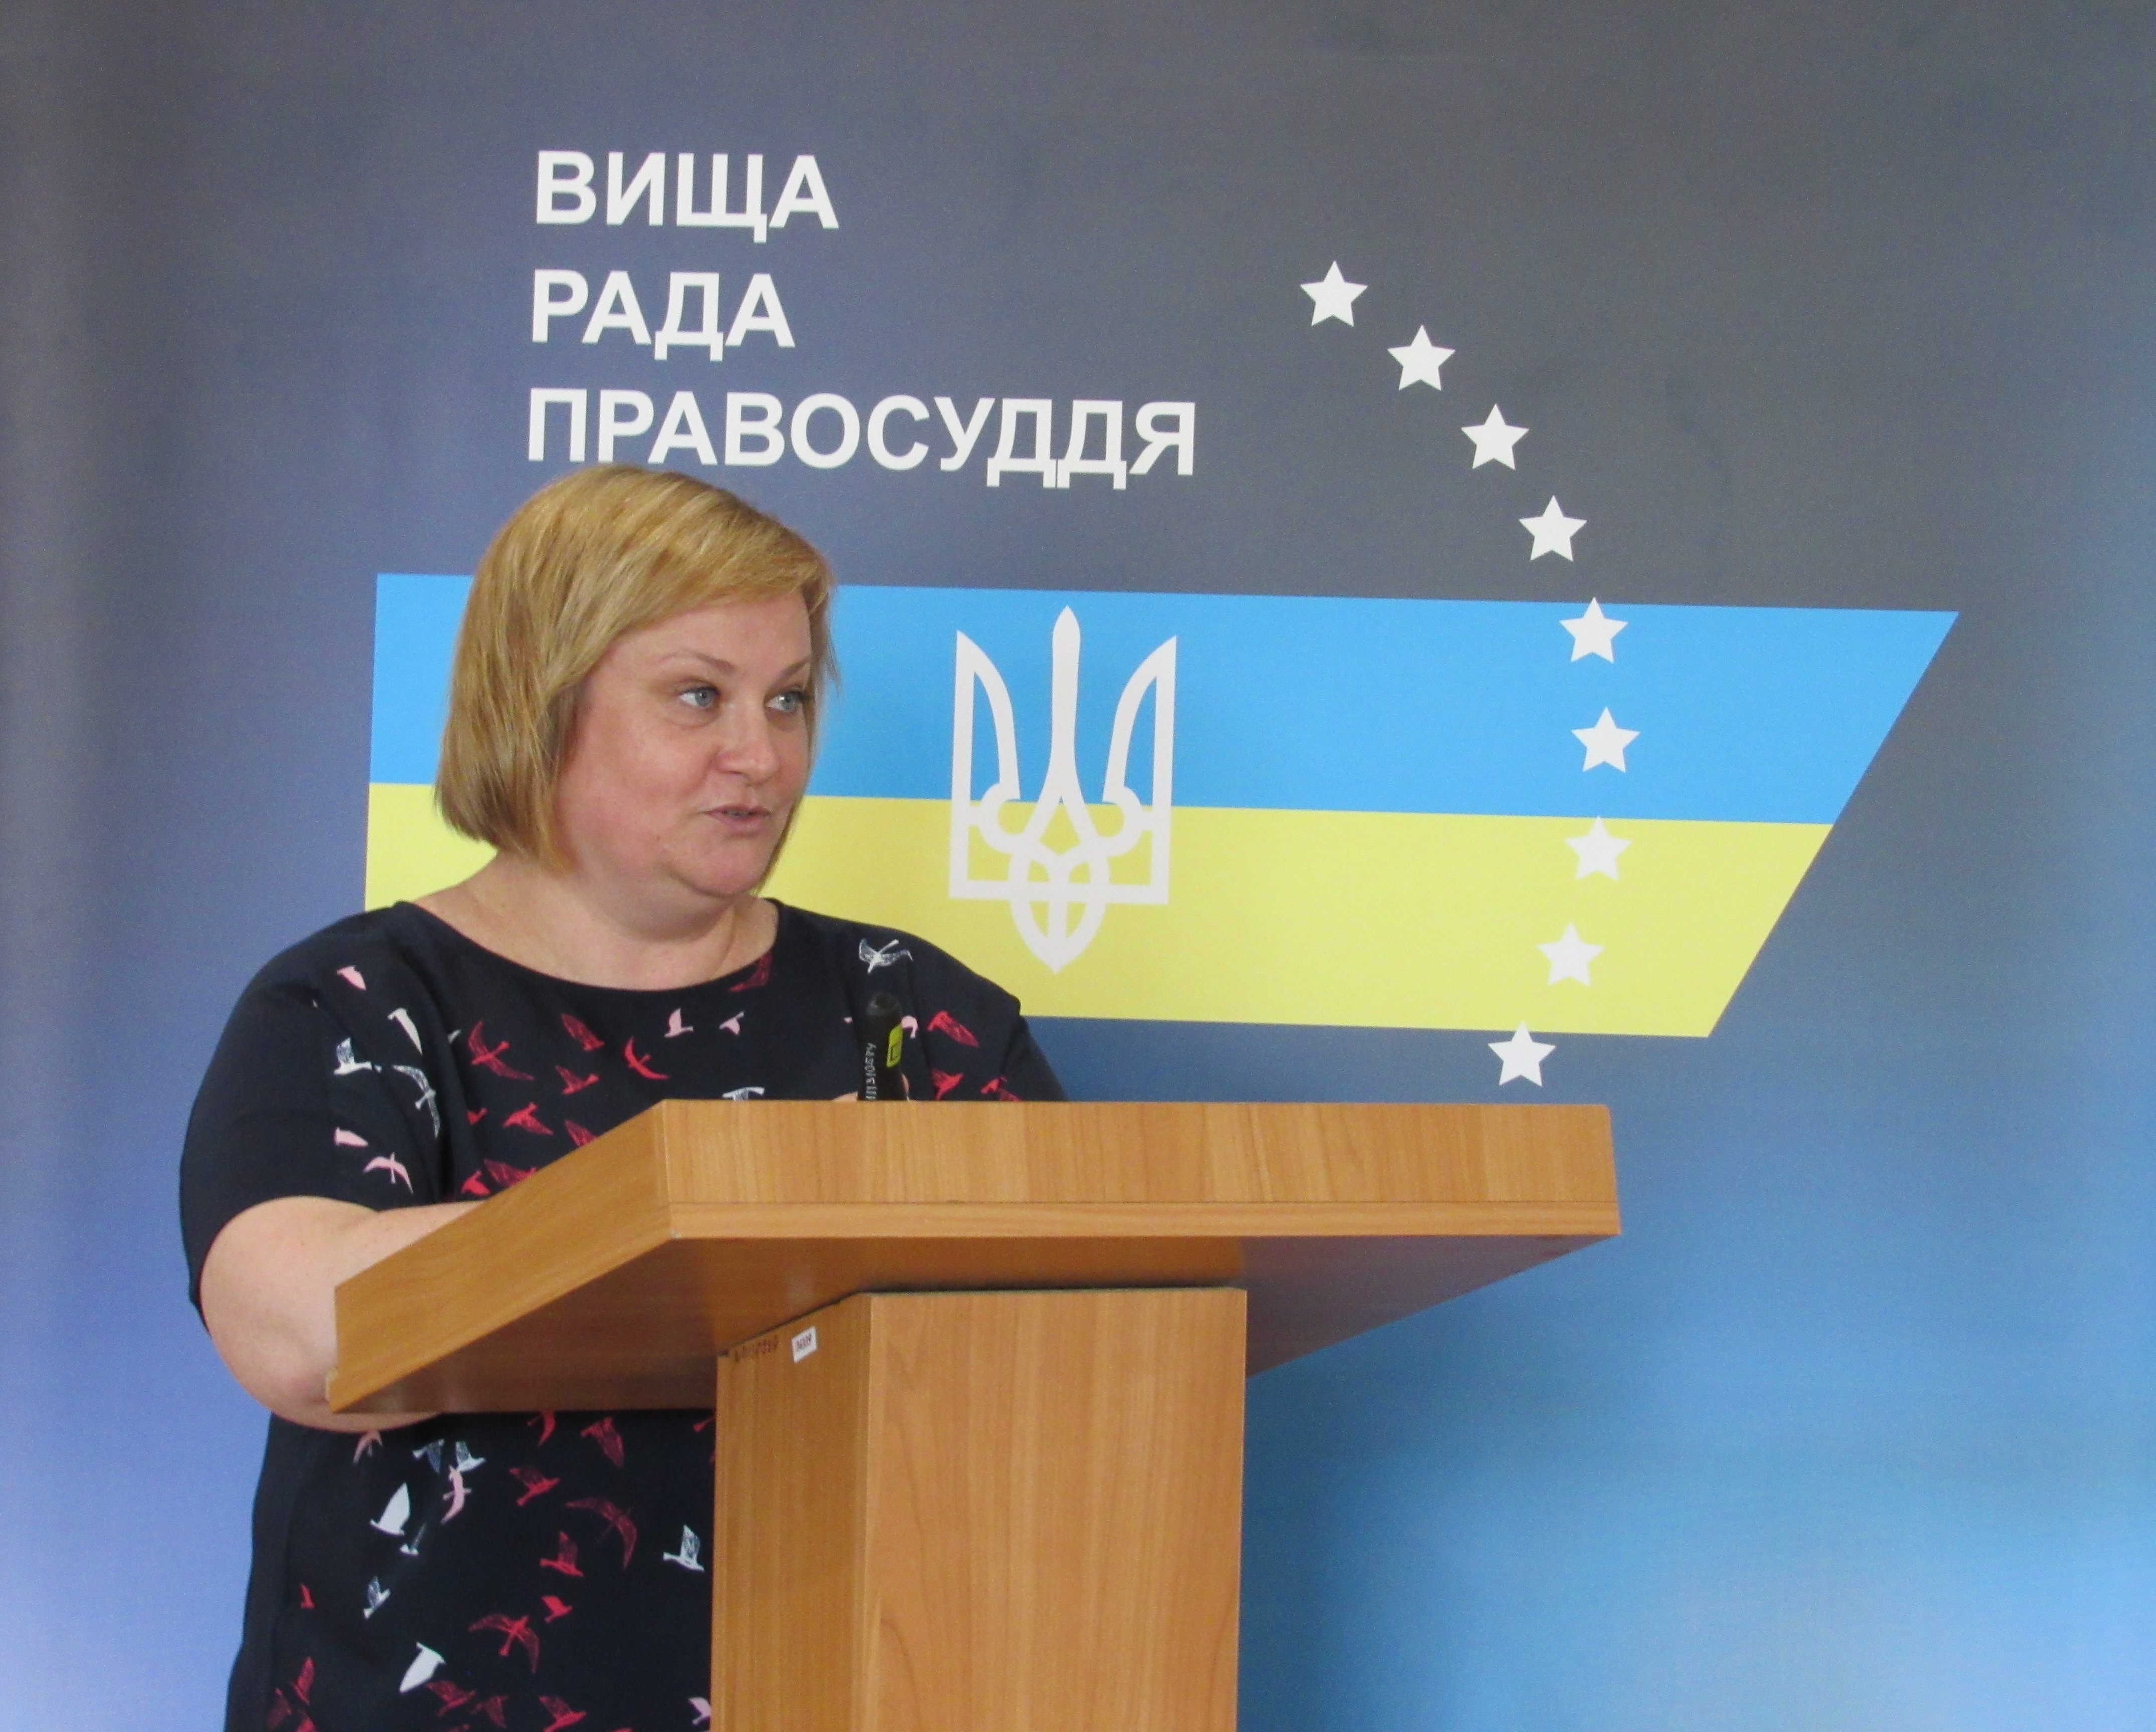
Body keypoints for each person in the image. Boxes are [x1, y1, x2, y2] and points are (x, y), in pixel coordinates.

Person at [181, 466, 1064, 1731]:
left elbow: (1071, 1353)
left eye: (788, 699)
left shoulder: (909, 1010)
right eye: (699, 695)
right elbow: (298, 1329)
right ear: (541, 703)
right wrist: (725, 1217)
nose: (760, 755)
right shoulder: (354, 1005)